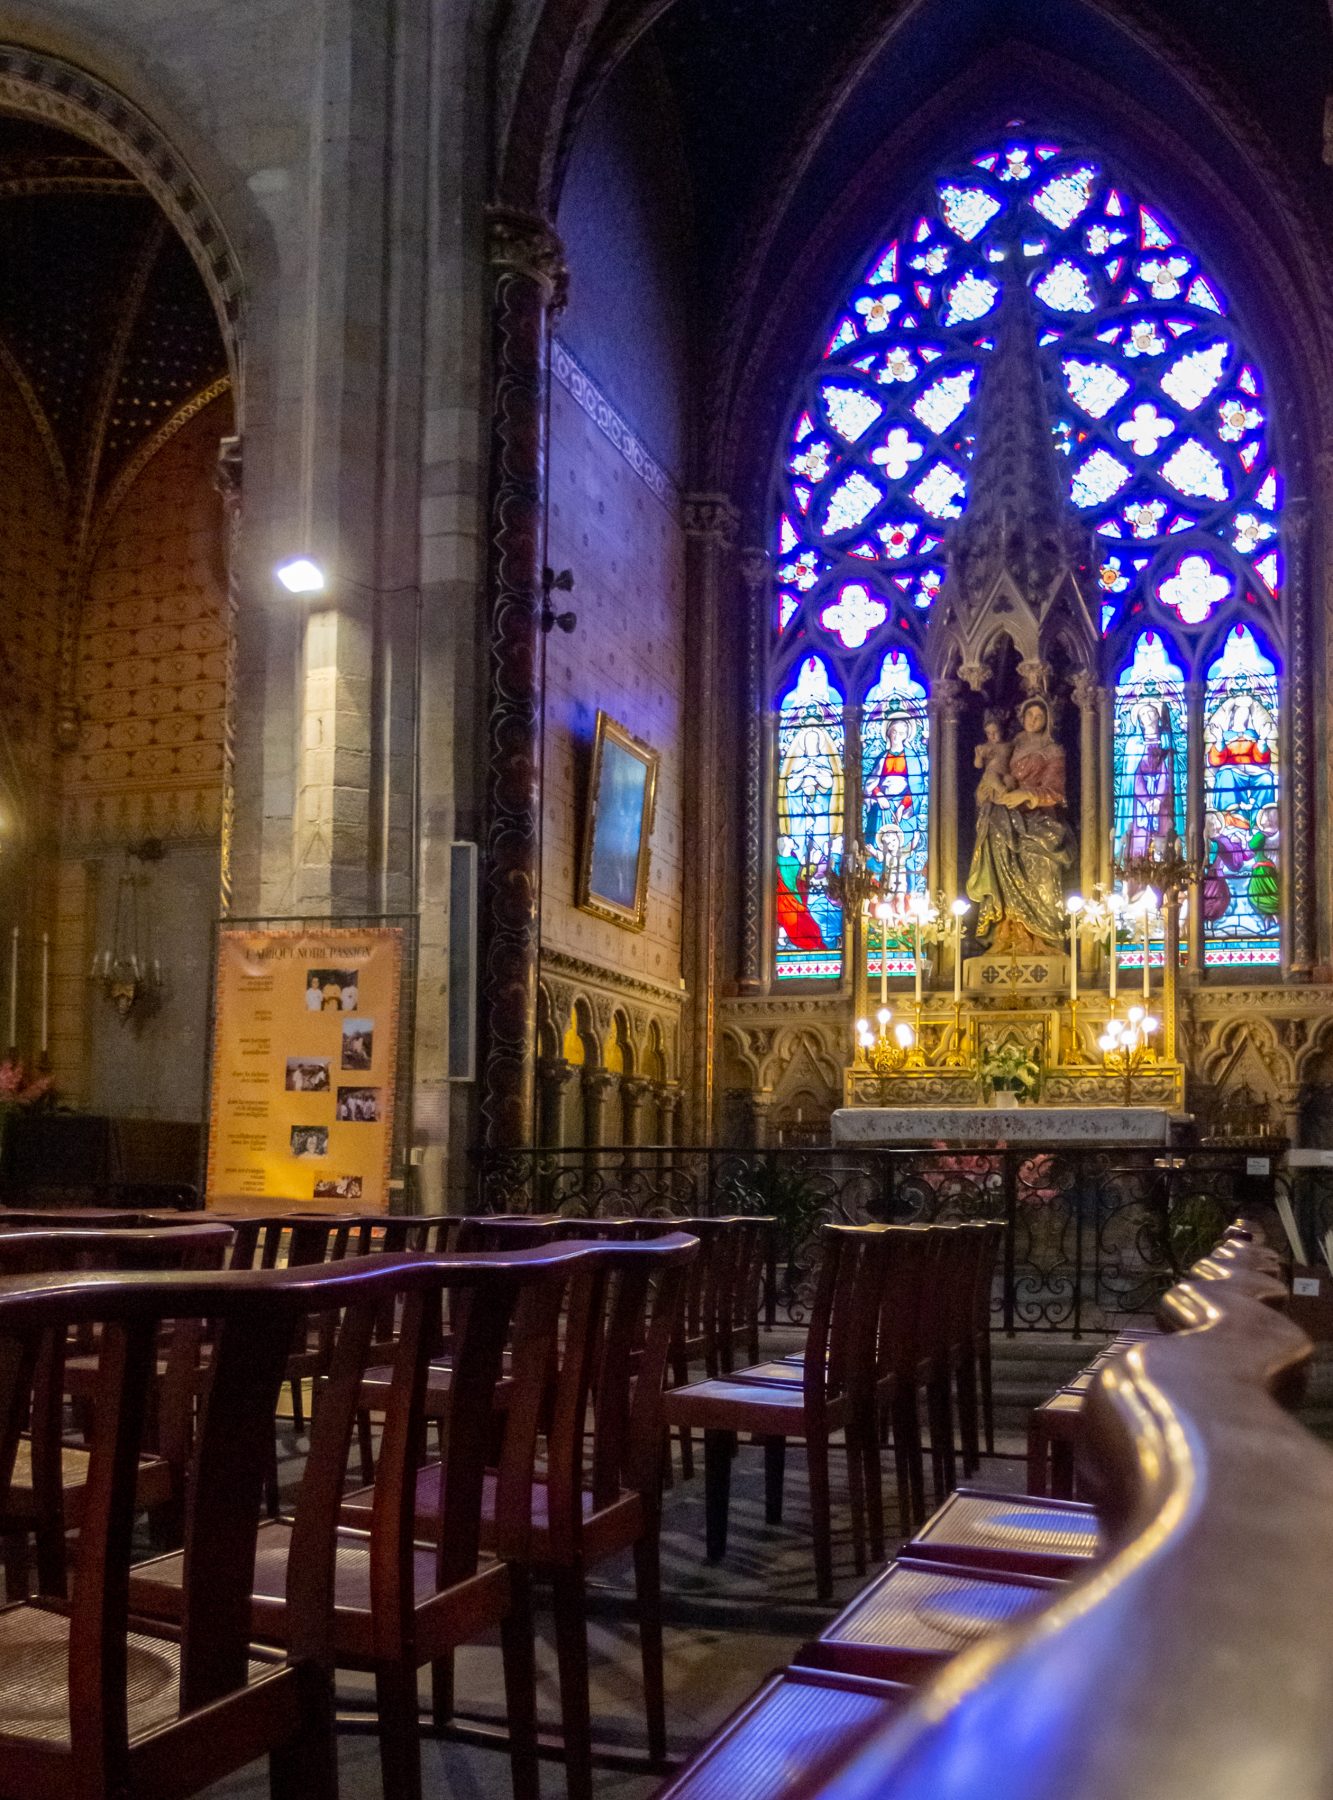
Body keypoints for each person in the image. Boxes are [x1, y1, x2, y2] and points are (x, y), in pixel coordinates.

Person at [966, 696, 1076, 950]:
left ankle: (1043, 937)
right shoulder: (1011, 746)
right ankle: (1008, 932)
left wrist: (1028, 795)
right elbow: (993, 771)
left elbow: (1057, 791)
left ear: (1048, 719)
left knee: (1043, 864)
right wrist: (987, 794)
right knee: (996, 840)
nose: (1033, 720)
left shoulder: (1053, 750)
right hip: (1007, 814)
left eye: (1039, 716)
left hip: (1040, 817)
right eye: (1029, 715)